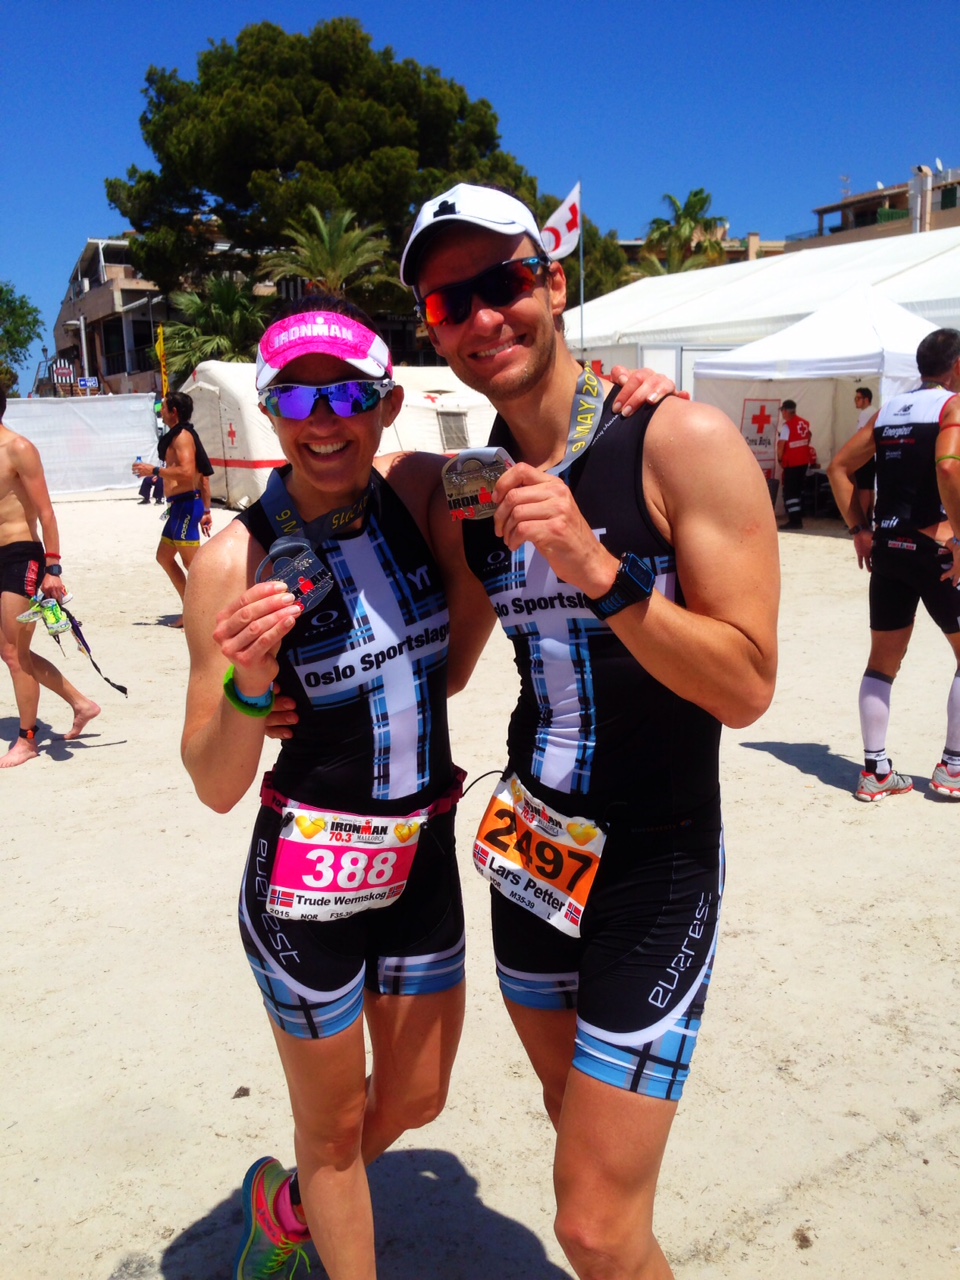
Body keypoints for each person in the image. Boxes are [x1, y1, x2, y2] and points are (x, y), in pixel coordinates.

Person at [181, 292, 676, 1280]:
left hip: (419, 862)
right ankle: (320, 1206)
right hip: (305, 881)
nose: (325, 422)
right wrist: (248, 686)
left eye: (347, 396)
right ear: (270, 411)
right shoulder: (232, 559)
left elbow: (558, 447)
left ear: (388, 402)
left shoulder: (424, 488)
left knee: (415, 1096)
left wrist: (634, 401)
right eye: (298, 399)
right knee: (332, 1128)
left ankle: (286, 1205)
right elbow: (213, 781)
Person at [398, 184, 780, 1280]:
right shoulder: (467, 486)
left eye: (504, 283)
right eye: (450, 302)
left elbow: (748, 686)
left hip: (657, 861)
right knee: (580, 1147)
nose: (484, 317)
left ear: (553, 283)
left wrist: (602, 573)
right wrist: (271, 694)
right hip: (531, 853)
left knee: (593, 1226)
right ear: (431, 329)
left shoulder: (680, 439)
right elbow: (448, 660)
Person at [827, 328, 960, 801]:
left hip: (888, 549)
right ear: (957, 367)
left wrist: (858, 529)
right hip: (935, 549)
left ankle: (876, 771)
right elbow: (949, 467)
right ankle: (953, 767)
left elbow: (838, 467)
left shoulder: (889, 411)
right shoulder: (950, 407)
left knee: (882, 664)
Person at [0, 385, 100, 766]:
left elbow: (46, 513)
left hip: (22, 556)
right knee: (12, 652)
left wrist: (53, 568)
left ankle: (27, 740)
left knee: (14, 654)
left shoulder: (18, 448)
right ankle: (81, 703)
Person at [132, 391, 214, 625]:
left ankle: (204, 614)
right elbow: (202, 476)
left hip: (187, 505)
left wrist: (155, 471)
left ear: (174, 412)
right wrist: (207, 510)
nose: (161, 412)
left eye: (164, 408)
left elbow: (187, 472)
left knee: (194, 566)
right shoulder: (179, 436)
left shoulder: (183, 437)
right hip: (180, 507)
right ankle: (191, 610)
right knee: (164, 557)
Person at [777, 398, 814, 528]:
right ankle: (798, 517)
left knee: (790, 493)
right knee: (798, 491)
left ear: (786, 411)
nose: (782, 413)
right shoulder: (804, 423)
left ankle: (795, 521)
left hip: (792, 463)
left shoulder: (787, 426)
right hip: (803, 462)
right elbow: (808, 437)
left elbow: (781, 445)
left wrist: (780, 459)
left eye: (782, 411)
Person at [852, 386, 875, 527]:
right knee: (870, 487)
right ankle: (869, 516)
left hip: (865, 455)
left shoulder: (866, 413)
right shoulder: (873, 411)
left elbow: (861, 436)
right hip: (871, 454)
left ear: (866, 399)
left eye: (858, 398)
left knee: (864, 488)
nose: (856, 401)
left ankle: (862, 519)